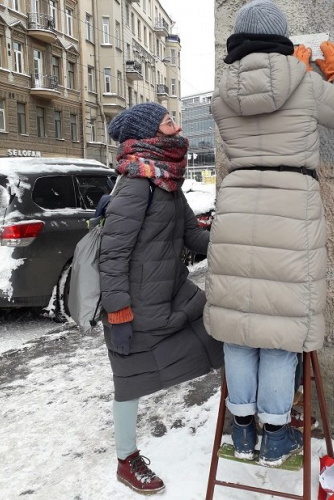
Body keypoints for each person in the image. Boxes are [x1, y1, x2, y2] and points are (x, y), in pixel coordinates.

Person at [204, 0, 334, 467]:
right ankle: (275, 436)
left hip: (236, 210)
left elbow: (258, 94)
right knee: (280, 331)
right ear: (283, 38)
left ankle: (240, 431)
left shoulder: (219, 94)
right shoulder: (305, 82)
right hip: (291, 211)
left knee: (237, 328)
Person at [99, 102, 223, 494]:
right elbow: (112, 254)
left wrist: (238, 242)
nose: (178, 126)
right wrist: (118, 313)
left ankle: (248, 418)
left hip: (172, 296)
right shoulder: (136, 183)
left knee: (223, 336)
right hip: (133, 306)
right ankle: (126, 460)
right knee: (129, 381)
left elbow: (194, 236)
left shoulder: (166, 182)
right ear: (152, 133)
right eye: (169, 121)